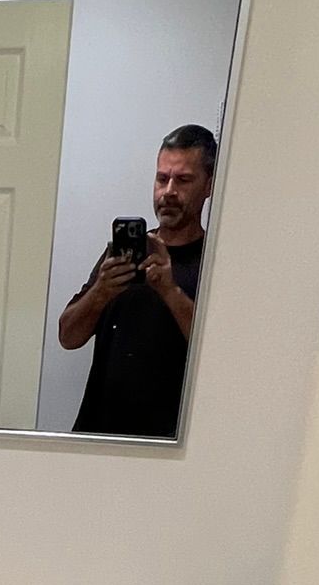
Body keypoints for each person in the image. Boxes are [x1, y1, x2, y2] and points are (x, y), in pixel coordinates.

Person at [59, 124, 217, 438]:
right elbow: (69, 336)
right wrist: (101, 292)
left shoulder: (214, 260)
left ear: (209, 185)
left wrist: (169, 291)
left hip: (170, 446)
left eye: (183, 180)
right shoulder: (122, 254)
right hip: (97, 435)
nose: (169, 191)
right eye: (162, 179)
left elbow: (219, 355)